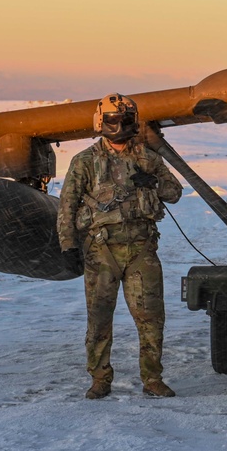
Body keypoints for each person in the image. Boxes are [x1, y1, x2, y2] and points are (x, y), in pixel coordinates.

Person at [57, 93, 183, 400]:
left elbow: (175, 192)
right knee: (99, 319)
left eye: (126, 120)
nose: (120, 126)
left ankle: (152, 378)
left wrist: (151, 182)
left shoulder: (148, 158)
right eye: (114, 120)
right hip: (101, 252)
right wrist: (67, 245)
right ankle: (100, 378)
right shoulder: (84, 162)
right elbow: (67, 205)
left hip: (141, 249)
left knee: (151, 318)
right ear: (101, 122)